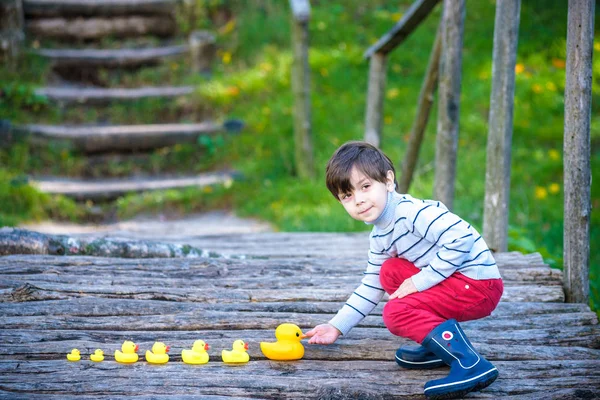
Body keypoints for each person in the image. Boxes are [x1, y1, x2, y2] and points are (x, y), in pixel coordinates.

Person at [304, 141, 503, 400]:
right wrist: (336, 327)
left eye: (365, 187)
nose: (359, 200)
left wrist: (422, 280)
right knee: (389, 272)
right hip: (458, 282)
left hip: (478, 285)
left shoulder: (411, 213)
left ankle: (470, 363)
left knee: (396, 312)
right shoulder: (380, 236)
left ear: (388, 181)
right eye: (347, 195)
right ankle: (440, 345)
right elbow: (372, 284)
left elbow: (462, 238)